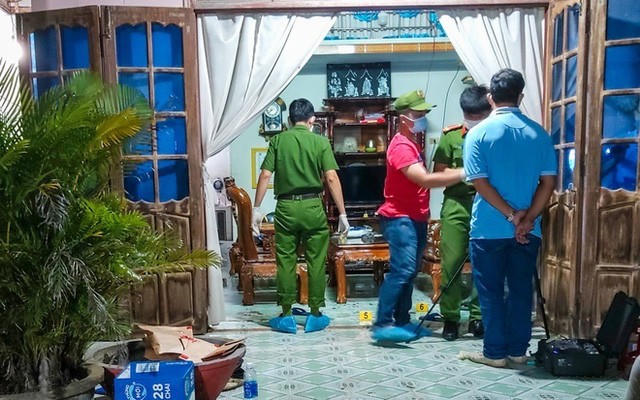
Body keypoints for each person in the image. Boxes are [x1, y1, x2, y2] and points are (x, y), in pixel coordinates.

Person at [458, 69, 556, 367]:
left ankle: (495, 353)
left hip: (488, 229)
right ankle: (518, 351)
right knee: (521, 290)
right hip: (528, 230)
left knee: (490, 293)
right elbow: (548, 183)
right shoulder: (539, 134)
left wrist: (511, 216)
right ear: (521, 96)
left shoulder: (478, 134)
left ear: (490, 98)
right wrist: (527, 219)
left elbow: (480, 183)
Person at [372, 90, 467, 342]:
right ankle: (382, 324)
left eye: (424, 113)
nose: (423, 118)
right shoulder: (401, 146)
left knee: (409, 273)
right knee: (401, 271)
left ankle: (403, 321)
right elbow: (423, 179)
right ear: (404, 118)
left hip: (415, 218)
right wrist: (463, 173)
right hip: (399, 218)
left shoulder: (412, 143)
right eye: (418, 114)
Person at [253, 98, 350, 334]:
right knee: (316, 260)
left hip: (285, 208)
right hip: (312, 207)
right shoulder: (320, 142)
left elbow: (265, 175)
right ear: (312, 120)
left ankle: (286, 315)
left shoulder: (278, 140)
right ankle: (315, 315)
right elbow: (331, 177)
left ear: (289, 120)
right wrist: (342, 213)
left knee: (286, 260)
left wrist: (256, 208)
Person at [433, 85, 492, 341]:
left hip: (488, 203)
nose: (474, 120)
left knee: (484, 263)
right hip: (456, 204)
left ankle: (478, 317)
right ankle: (451, 318)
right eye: (470, 116)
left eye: (479, 116)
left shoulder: (495, 135)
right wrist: (462, 174)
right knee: (452, 263)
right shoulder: (451, 137)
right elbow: (438, 173)